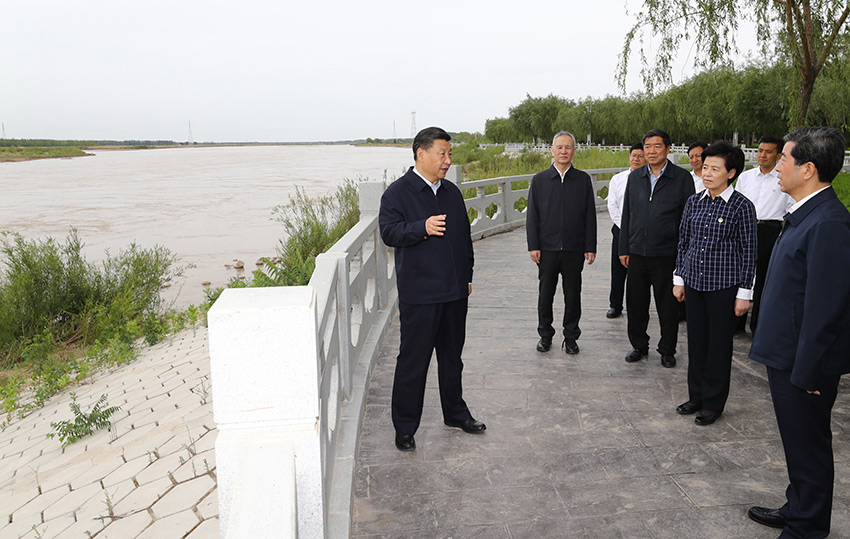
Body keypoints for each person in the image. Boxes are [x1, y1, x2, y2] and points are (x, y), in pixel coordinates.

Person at [747, 127, 850, 538]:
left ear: (807, 169)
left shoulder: (828, 224)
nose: (776, 166)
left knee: (809, 446)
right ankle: (798, 505)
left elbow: (826, 310)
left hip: (801, 364)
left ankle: (807, 527)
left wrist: (808, 374)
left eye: (784, 159)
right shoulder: (806, 214)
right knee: (797, 442)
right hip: (786, 354)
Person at [378, 126, 485, 452]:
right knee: (414, 362)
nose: (448, 160)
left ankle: (456, 413)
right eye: (443, 154)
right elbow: (389, 233)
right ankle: (405, 427)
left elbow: (464, 239)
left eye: (450, 154)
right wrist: (421, 228)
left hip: (454, 293)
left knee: (452, 359)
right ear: (421, 154)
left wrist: (466, 277)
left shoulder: (451, 192)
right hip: (420, 295)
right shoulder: (397, 193)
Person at [672, 142, 756, 426]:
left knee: (719, 346)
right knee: (696, 343)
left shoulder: (742, 206)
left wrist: (744, 294)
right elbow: (683, 242)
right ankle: (695, 395)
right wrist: (679, 278)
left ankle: (713, 403)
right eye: (705, 167)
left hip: (724, 287)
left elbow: (749, 252)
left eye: (714, 169)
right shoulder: (694, 202)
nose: (706, 173)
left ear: (731, 173)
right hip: (694, 282)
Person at [619, 129, 695, 368]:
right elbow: (627, 214)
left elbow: (688, 218)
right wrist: (624, 248)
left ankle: (667, 349)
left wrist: (684, 254)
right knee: (636, 304)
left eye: (657, 146)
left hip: (667, 254)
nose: (651, 151)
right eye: (647, 146)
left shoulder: (682, 178)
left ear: (668, 149)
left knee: (668, 306)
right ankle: (639, 345)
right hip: (637, 253)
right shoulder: (635, 177)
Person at [526, 131, 597, 354]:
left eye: (568, 147)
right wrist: (533, 245)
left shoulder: (583, 180)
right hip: (546, 249)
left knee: (573, 295)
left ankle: (571, 336)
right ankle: (545, 335)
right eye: (560, 147)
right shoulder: (539, 180)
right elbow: (532, 217)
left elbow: (589, 216)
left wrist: (590, 246)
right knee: (545, 294)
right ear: (552, 151)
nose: (564, 151)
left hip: (574, 249)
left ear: (574, 151)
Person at [733, 136, 792, 334]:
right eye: (760, 151)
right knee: (740, 276)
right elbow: (735, 206)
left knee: (765, 281)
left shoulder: (784, 178)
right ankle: (736, 324)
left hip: (771, 230)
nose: (763, 155)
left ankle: (758, 325)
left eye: (768, 152)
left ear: (778, 155)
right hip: (745, 229)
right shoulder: (745, 177)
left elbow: (790, 210)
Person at [606, 142, 645, 318]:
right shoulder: (618, 179)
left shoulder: (649, 179)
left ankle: (638, 308)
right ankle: (615, 305)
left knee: (639, 272)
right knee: (618, 269)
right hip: (621, 230)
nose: (636, 159)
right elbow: (612, 205)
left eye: (640, 156)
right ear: (629, 157)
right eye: (634, 155)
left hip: (642, 231)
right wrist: (625, 226)